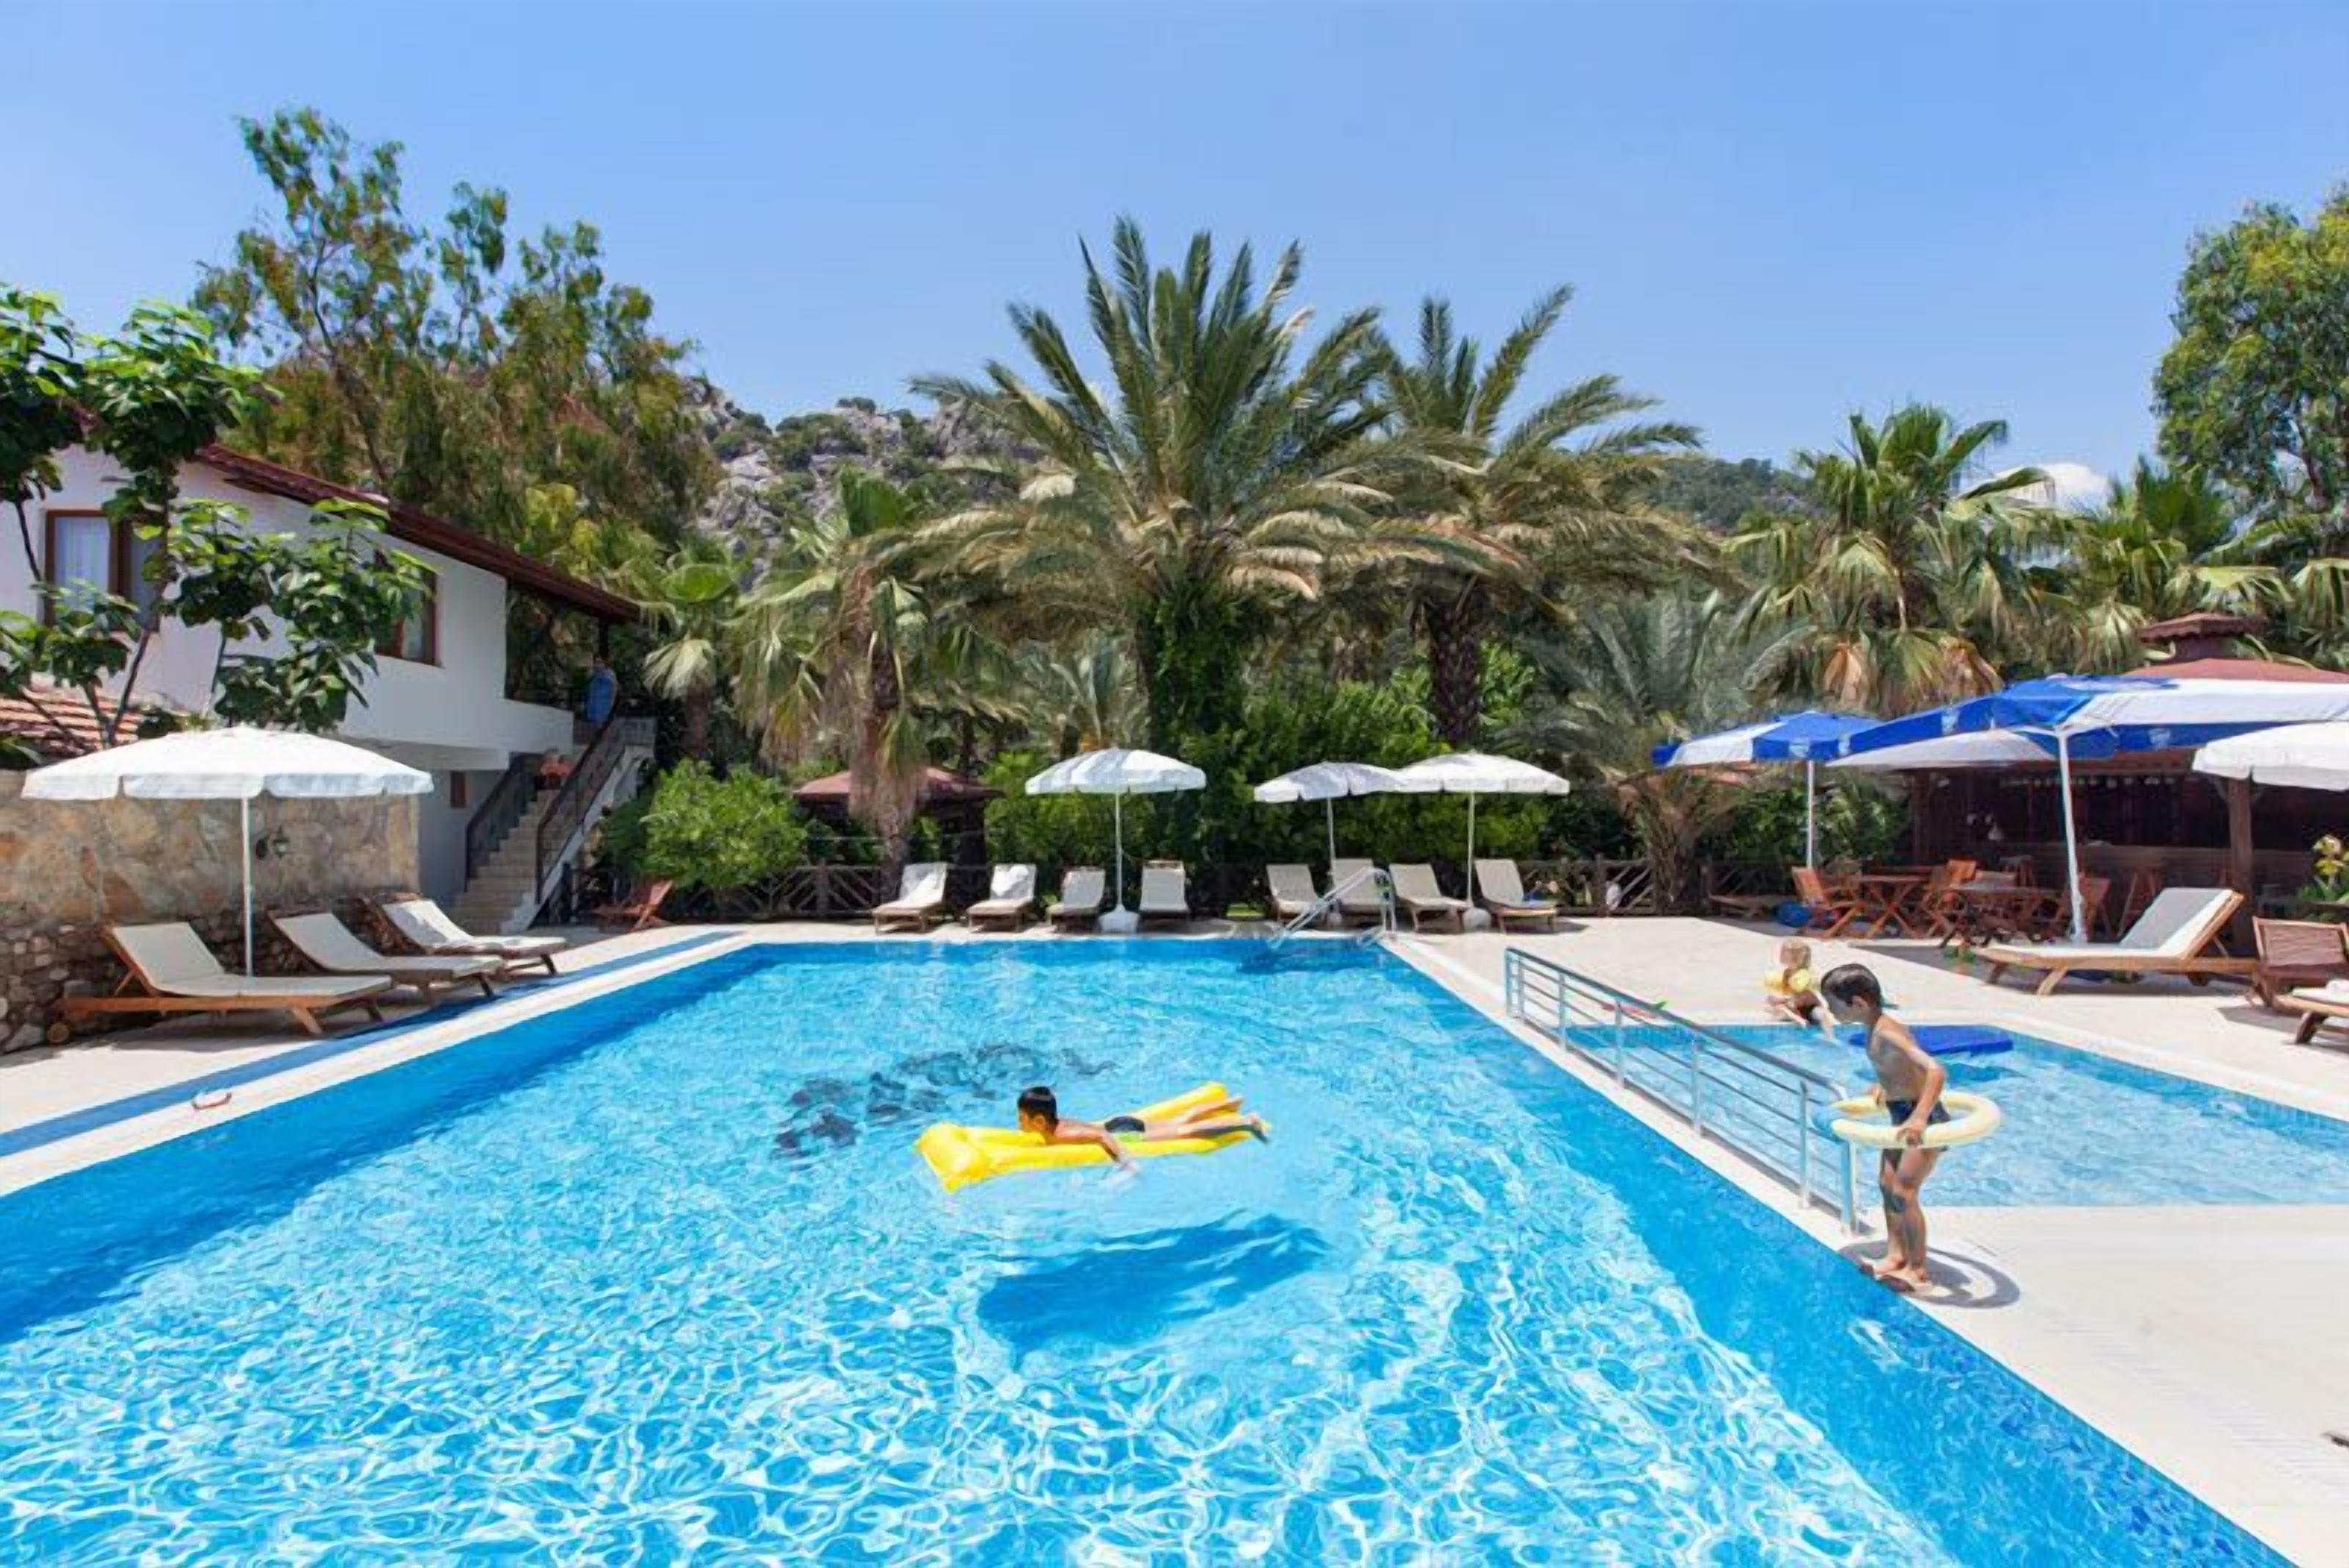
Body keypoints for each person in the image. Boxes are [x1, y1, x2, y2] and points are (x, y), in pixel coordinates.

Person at [1818, 964, 1947, 1294]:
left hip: (1923, 1119)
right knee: (1886, 1184)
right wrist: (1883, 1085)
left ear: (1858, 1004)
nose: (1831, 1013)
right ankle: (1895, 1254)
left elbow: (1935, 1071)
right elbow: (1898, 1068)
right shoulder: (1875, 1028)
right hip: (1899, 1111)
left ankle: (1918, 1270)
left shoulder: (1888, 1031)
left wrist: (1920, 1117)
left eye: (1835, 1006)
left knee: (1905, 1191)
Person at [1014, 1085, 1266, 1170]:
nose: (1019, 1123)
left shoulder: (1062, 1135)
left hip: (1124, 1134)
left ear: (1039, 1122)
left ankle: (1245, 1122)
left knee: (1184, 1132)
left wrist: (1125, 1163)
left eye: (1022, 1118)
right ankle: (1228, 1104)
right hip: (1120, 1124)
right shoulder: (1057, 1122)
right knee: (1178, 1122)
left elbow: (1100, 1135)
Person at [1761, 938, 1827, 1030]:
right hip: (1795, 1005)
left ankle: (1798, 1019)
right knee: (1771, 1001)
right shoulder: (1788, 972)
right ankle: (1794, 1016)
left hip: (1806, 1007)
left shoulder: (1803, 974)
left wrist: (1784, 1000)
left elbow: (1805, 996)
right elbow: (1787, 993)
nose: (1781, 956)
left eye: (1783, 954)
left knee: (1776, 1005)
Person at [583, 653, 618, 727]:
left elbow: (614, 688)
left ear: (604, 663)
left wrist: (612, 703)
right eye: (596, 662)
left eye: (600, 662)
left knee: (603, 726)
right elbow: (590, 690)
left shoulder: (610, 674)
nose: (598, 665)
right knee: (594, 726)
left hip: (604, 705)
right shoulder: (594, 675)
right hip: (594, 705)